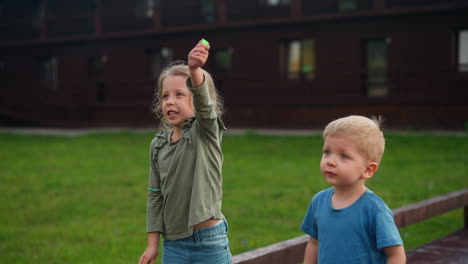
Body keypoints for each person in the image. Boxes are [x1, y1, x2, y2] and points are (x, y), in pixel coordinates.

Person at [138, 40, 231, 264]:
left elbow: (205, 110)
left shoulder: (205, 133)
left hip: (210, 242)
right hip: (173, 245)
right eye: (165, 95)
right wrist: (152, 246)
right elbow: (154, 195)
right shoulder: (158, 145)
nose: (170, 101)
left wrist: (194, 70)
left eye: (179, 94)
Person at [301, 115, 406, 264]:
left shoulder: (374, 209)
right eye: (327, 152)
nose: (330, 161)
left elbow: (396, 254)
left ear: (368, 169)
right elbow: (314, 243)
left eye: (343, 155)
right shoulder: (319, 201)